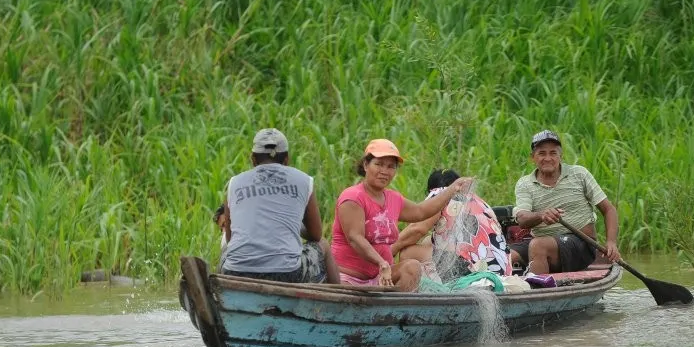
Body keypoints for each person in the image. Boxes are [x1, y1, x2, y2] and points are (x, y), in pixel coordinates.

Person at [331, 140, 473, 291]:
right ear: (366, 165)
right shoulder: (353, 197)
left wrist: (453, 188)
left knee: (412, 268)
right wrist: (382, 263)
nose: (384, 171)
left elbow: (421, 211)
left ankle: (396, 312)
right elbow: (355, 238)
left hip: (380, 278)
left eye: (391, 166)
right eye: (378, 164)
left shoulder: (393, 198)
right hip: (348, 279)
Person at [219, 128, 340, 284]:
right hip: (288, 273)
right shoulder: (304, 181)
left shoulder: (234, 183)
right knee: (322, 244)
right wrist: (293, 224)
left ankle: (221, 295)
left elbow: (230, 238)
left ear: (253, 159)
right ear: (287, 160)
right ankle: (340, 301)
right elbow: (315, 235)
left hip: (236, 272)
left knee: (226, 252)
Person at [510, 129, 620, 274]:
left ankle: (541, 292)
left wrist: (611, 242)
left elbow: (608, 209)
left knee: (538, 246)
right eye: (542, 153)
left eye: (553, 153)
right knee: (503, 256)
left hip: (581, 244)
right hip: (543, 242)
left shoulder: (579, 174)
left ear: (561, 156)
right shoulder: (525, 184)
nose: (547, 158)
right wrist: (541, 215)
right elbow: (523, 219)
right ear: (533, 158)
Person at [392, 168, 511, 278]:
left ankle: (421, 292)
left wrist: (388, 251)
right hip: (500, 271)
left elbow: (417, 229)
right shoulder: (479, 202)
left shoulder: (442, 194)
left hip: (473, 270)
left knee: (407, 253)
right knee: (428, 240)